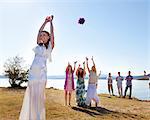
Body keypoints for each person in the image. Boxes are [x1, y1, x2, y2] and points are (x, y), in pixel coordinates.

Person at [19, 15, 54, 120]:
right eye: (41, 35)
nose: (42, 36)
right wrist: (44, 22)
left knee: (39, 98)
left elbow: (52, 34)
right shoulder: (38, 46)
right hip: (32, 74)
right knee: (32, 97)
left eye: (44, 35)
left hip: (42, 75)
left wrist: (50, 23)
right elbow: (39, 31)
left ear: (48, 38)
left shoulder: (49, 48)